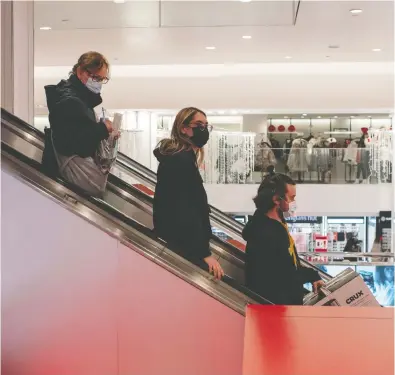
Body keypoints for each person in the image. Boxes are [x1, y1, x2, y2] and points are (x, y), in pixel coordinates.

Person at [153, 107, 224, 280]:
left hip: (179, 240)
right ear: (183, 128)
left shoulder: (181, 158)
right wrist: (204, 253)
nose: (204, 130)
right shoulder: (180, 161)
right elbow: (185, 208)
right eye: (198, 125)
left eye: (206, 125)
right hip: (183, 245)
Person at [243, 166, 324, 305]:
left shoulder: (275, 220)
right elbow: (285, 275)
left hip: (283, 302)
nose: (294, 202)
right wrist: (312, 275)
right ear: (276, 199)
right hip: (277, 307)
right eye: (292, 198)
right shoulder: (267, 233)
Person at [43, 51, 118, 196]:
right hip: (74, 173)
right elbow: (76, 143)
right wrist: (102, 129)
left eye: (102, 79)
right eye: (95, 77)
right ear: (79, 71)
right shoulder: (70, 101)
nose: (98, 83)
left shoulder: (77, 99)